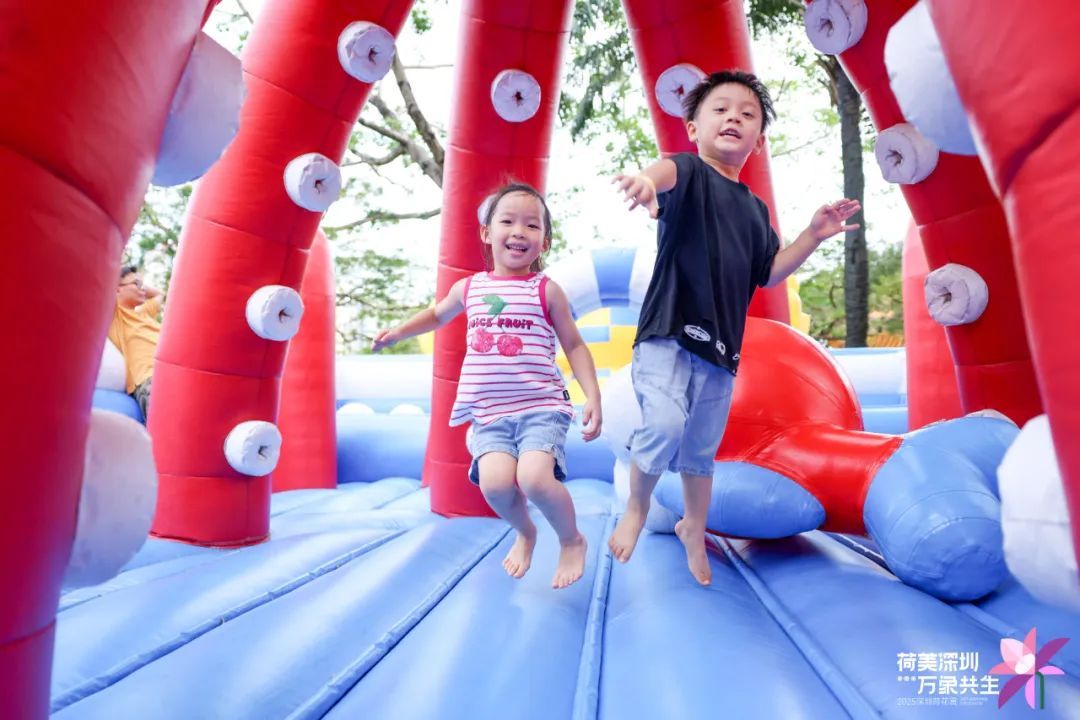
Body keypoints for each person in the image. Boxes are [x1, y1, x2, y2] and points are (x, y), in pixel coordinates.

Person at [608, 70, 861, 585]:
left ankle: (694, 528)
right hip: (668, 331)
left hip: (721, 348)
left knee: (702, 452)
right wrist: (644, 183)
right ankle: (636, 507)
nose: (733, 119)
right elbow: (662, 174)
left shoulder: (754, 210)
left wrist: (813, 234)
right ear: (693, 129)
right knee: (664, 425)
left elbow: (770, 271)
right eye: (720, 110)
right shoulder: (687, 172)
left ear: (758, 141)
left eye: (747, 115)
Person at [373, 183, 603, 589]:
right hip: (490, 413)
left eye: (532, 225)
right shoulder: (470, 288)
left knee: (534, 478)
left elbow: (574, 345)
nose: (519, 231)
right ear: (486, 232)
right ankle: (526, 531)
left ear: (545, 242)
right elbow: (436, 315)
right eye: (507, 221)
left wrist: (593, 395)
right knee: (495, 486)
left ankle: (571, 540)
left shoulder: (545, 290)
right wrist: (398, 333)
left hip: (541, 406)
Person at [108, 265, 164, 420]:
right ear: (117, 289)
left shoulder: (144, 313)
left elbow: (159, 294)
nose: (143, 289)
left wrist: (137, 283)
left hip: (173, 372)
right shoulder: (116, 315)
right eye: (137, 284)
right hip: (150, 379)